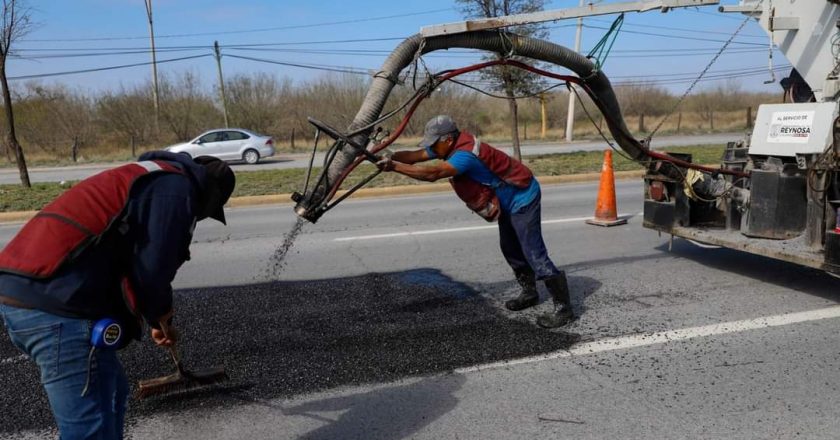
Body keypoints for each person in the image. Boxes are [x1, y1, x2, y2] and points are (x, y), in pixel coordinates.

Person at [0, 151, 235, 440]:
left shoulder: (149, 176)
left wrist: (152, 317)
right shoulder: (177, 190)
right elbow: (154, 267)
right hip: (58, 306)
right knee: (89, 429)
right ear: (210, 196)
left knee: (112, 395)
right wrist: (160, 315)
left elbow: (127, 255)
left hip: (24, 291)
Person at [376, 115, 576, 329]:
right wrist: (388, 156)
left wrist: (394, 167)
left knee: (533, 253)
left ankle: (564, 309)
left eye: (434, 143)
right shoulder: (449, 145)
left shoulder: (465, 155)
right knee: (509, 248)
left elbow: (433, 173)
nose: (431, 148)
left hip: (523, 197)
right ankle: (529, 293)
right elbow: (416, 156)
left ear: (447, 139)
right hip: (506, 200)